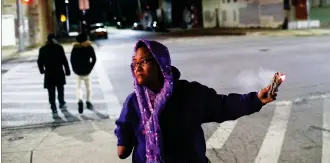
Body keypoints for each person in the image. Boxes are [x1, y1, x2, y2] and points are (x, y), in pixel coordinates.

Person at [114, 40, 280, 162]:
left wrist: (256, 99)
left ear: (160, 63)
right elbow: (123, 142)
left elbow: (222, 106)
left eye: (143, 61)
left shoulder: (188, 93)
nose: (137, 67)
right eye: (134, 63)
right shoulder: (134, 103)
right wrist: (124, 140)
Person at [37, 33, 70, 116]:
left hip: (49, 73)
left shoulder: (43, 49)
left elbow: (40, 61)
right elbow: (64, 60)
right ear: (54, 39)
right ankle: (61, 103)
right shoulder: (59, 47)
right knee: (60, 89)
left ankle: (53, 107)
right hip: (59, 72)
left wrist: (42, 70)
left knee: (51, 92)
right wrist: (67, 70)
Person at [70, 33, 97, 114]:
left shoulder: (75, 48)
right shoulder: (89, 47)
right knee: (88, 88)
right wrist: (90, 68)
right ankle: (88, 102)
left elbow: (72, 60)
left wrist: (74, 69)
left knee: (78, 88)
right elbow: (94, 58)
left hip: (78, 72)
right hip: (87, 71)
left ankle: (80, 101)